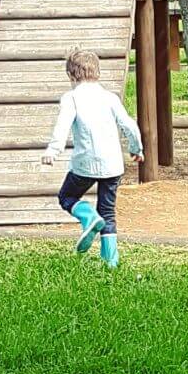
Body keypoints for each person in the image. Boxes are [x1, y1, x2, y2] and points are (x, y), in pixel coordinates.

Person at [41, 49, 143, 269]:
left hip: (84, 164)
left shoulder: (71, 98)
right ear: (98, 72)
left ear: (71, 75)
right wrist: (136, 148)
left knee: (67, 196)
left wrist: (53, 150)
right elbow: (129, 125)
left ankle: (87, 217)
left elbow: (63, 125)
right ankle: (111, 261)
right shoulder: (110, 98)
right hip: (113, 165)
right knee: (107, 211)